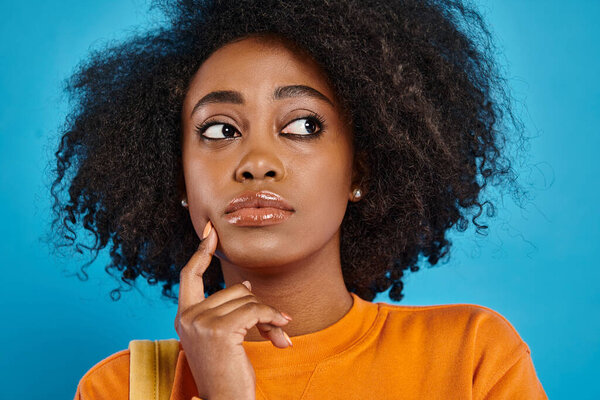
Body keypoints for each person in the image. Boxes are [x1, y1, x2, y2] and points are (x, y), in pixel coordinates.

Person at [52, 0, 547, 398]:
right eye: (221, 129)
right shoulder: (122, 389)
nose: (256, 162)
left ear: (361, 170)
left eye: (303, 125)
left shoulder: (470, 357)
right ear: (178, 180)